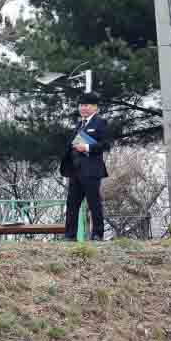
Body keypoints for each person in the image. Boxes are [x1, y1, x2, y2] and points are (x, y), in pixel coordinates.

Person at [60, 92, 113, 241]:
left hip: (91, 170)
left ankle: (97, 234)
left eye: (86, 105)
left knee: (93, 203)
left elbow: (106, 144)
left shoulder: (100, 123)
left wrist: (88, 147)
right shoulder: (79, 124)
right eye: (81, 105)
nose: (83, 108)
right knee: (72, 204)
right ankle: (69, 235)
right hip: (75, 170)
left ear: (94, 107)